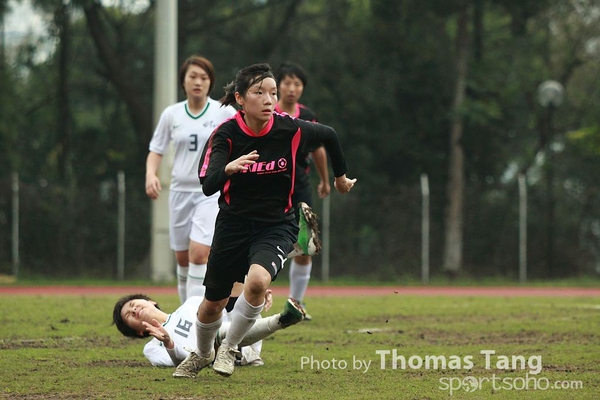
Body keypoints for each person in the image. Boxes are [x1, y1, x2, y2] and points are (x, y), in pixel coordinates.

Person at [174, 62, 356, 379]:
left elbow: (329, 134)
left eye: (272, 92)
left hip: (277, 224)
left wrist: (339, 178)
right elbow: (208, 183)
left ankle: (229, 349)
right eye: (260, 92)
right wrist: (229, 168)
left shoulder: (290, 128)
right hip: (232, 225)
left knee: (257, 282)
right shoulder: (226, 134)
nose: (269, 99)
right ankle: (203, 353)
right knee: (212, 305)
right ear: (241, 99)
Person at [145, 56, 237, 304]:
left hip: (209, 192)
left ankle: (196, 320)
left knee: (199, 254)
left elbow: (244, 137)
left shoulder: (224, 112)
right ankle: (185, 315)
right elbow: (157, 149)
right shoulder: (171, 114)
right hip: (178, 194)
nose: (198, 82)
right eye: (192, 76)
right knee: (183, 260)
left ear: (210, 83)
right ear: (183, 81)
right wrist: (151, 174)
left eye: (204, 77)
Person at [112, 283, 305, 374]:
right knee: (214, 338)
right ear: (137, 331)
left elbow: (234, 311)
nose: (134, 309)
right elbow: (181, 363)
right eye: (129, 315)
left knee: (237, 285)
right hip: (222, 352)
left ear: (150, 301)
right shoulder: (152, 347)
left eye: (133, 305)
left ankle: (287, 252)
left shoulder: (192, 302)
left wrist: (257, 297)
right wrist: (168, 342)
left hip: (239, 343)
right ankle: (282, 319)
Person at [275, 62, 330, 321]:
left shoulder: (307, 116)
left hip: (301, 189)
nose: (292, 88)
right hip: (271, 189)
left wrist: (325, 180)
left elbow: (319, 148)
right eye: (287, 82)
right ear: (277, 85)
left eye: (297, 84)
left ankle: (296, 303)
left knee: (307, 245)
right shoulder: (266, 112)